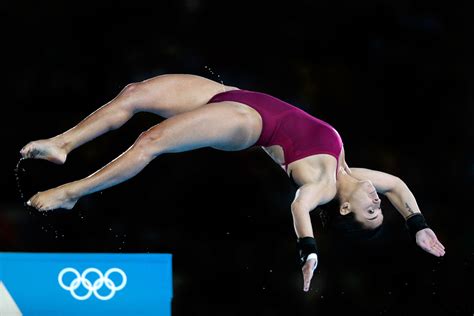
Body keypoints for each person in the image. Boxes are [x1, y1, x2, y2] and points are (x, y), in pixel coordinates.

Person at [20, 73, 446, 292]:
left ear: (345, 209)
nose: (377, 199)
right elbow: (398, 186)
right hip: (230, 93)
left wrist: (309, 249)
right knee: (134, 93)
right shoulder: (352, 173)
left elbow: (299, 208)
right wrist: (419, 225)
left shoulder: (325, 187)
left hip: (247, 123)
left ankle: (72, 193)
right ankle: (62, 144)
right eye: (379, 208)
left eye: (371, 211)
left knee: (149, 141)